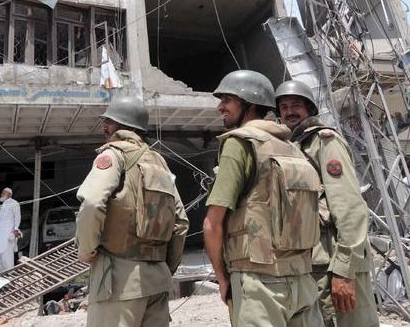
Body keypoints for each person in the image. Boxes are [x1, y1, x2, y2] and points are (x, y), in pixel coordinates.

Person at [203, 70, 324, 327]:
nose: (220, 107)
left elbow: (213, 223)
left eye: (227, 99)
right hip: (302, 280)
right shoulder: (291, 147)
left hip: (259, 284)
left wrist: (222, 279)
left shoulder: (240, 143)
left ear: (250, 103)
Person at [75, 96, 189, 327]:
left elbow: (91, 202)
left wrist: (86, 252)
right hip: (157, 280)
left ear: (120, 125)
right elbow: (181, 223)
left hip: (118, 282)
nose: (104, 126)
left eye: (109, 121)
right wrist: (164, 267)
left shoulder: (113, 155)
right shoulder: (159, 163)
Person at [276, 80, 379, 327]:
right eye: (284, 107)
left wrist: (344, 269)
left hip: (337, 262)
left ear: (310, 109)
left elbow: (350, 208)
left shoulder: (325, 142)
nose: (289, 111)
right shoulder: (296, 146)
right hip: (317, 265)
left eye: (296, 105)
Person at [0, 188, 21, 272]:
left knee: (7, 260)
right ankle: (4, 281)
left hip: (7, 236)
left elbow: (17, 217)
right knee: (0, 261)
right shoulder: (3, 204)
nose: (1, 194)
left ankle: (10, 280)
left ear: (10, 194)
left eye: (4, 193)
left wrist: (15, 229)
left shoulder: (14, 203)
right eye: (2, 192)